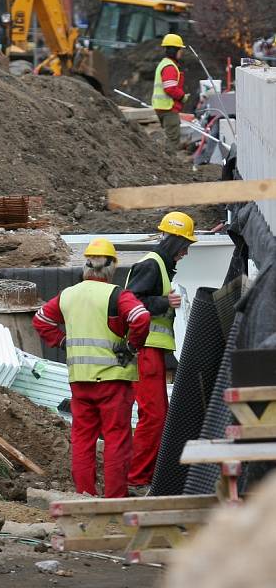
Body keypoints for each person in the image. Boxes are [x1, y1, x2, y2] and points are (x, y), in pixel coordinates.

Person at [32, 238, 151, 498]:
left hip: (80, 381)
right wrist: (131, 346)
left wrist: (61, 342)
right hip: (113, 381)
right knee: (116, 440)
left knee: (82, 441)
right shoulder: (117, 295)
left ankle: (84, 496)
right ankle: (114, 498)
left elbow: (41, 319)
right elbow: (141, 317)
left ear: (86, 266)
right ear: (110, 268)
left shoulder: (68, 295)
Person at [125, 212, 197, 496]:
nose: (186, 252)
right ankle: (137, 477)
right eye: (185, 245)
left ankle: (145, 474)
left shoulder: (160, 266)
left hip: (151, 349)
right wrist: (163, 302)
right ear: (175, 240)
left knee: (158, 414)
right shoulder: (152, 264)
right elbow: (130, 301)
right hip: (145, 349)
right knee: (154, 415)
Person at [152, 33, 189, 153]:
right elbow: (170, 88)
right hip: (168, 108)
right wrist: (182, 96)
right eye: (180, 49)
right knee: (172, 141)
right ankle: (171, 165)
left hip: (162, 107)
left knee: (169, 138)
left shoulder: (164, 64)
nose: (181, 52)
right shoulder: (170, 67)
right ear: (174, 50)